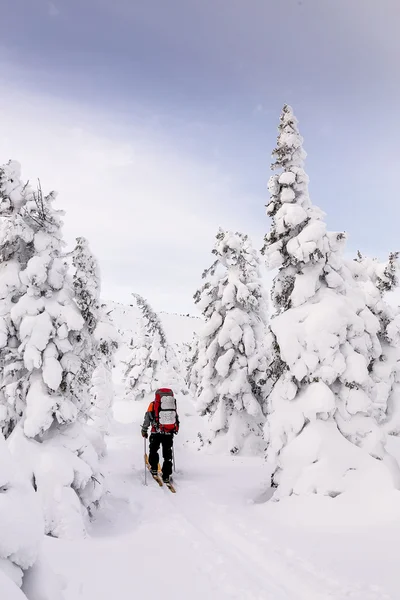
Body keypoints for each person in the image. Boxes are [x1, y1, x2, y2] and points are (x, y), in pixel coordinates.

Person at [141, 388, 179, 483]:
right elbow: (175, 417)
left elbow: (147, 418)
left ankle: (154, 469)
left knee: (153, 450)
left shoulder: (153, 404)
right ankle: (166, 475)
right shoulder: (172, 405)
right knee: (167, 453)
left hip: (156, 432)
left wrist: (144, 430)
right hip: (168, 432)